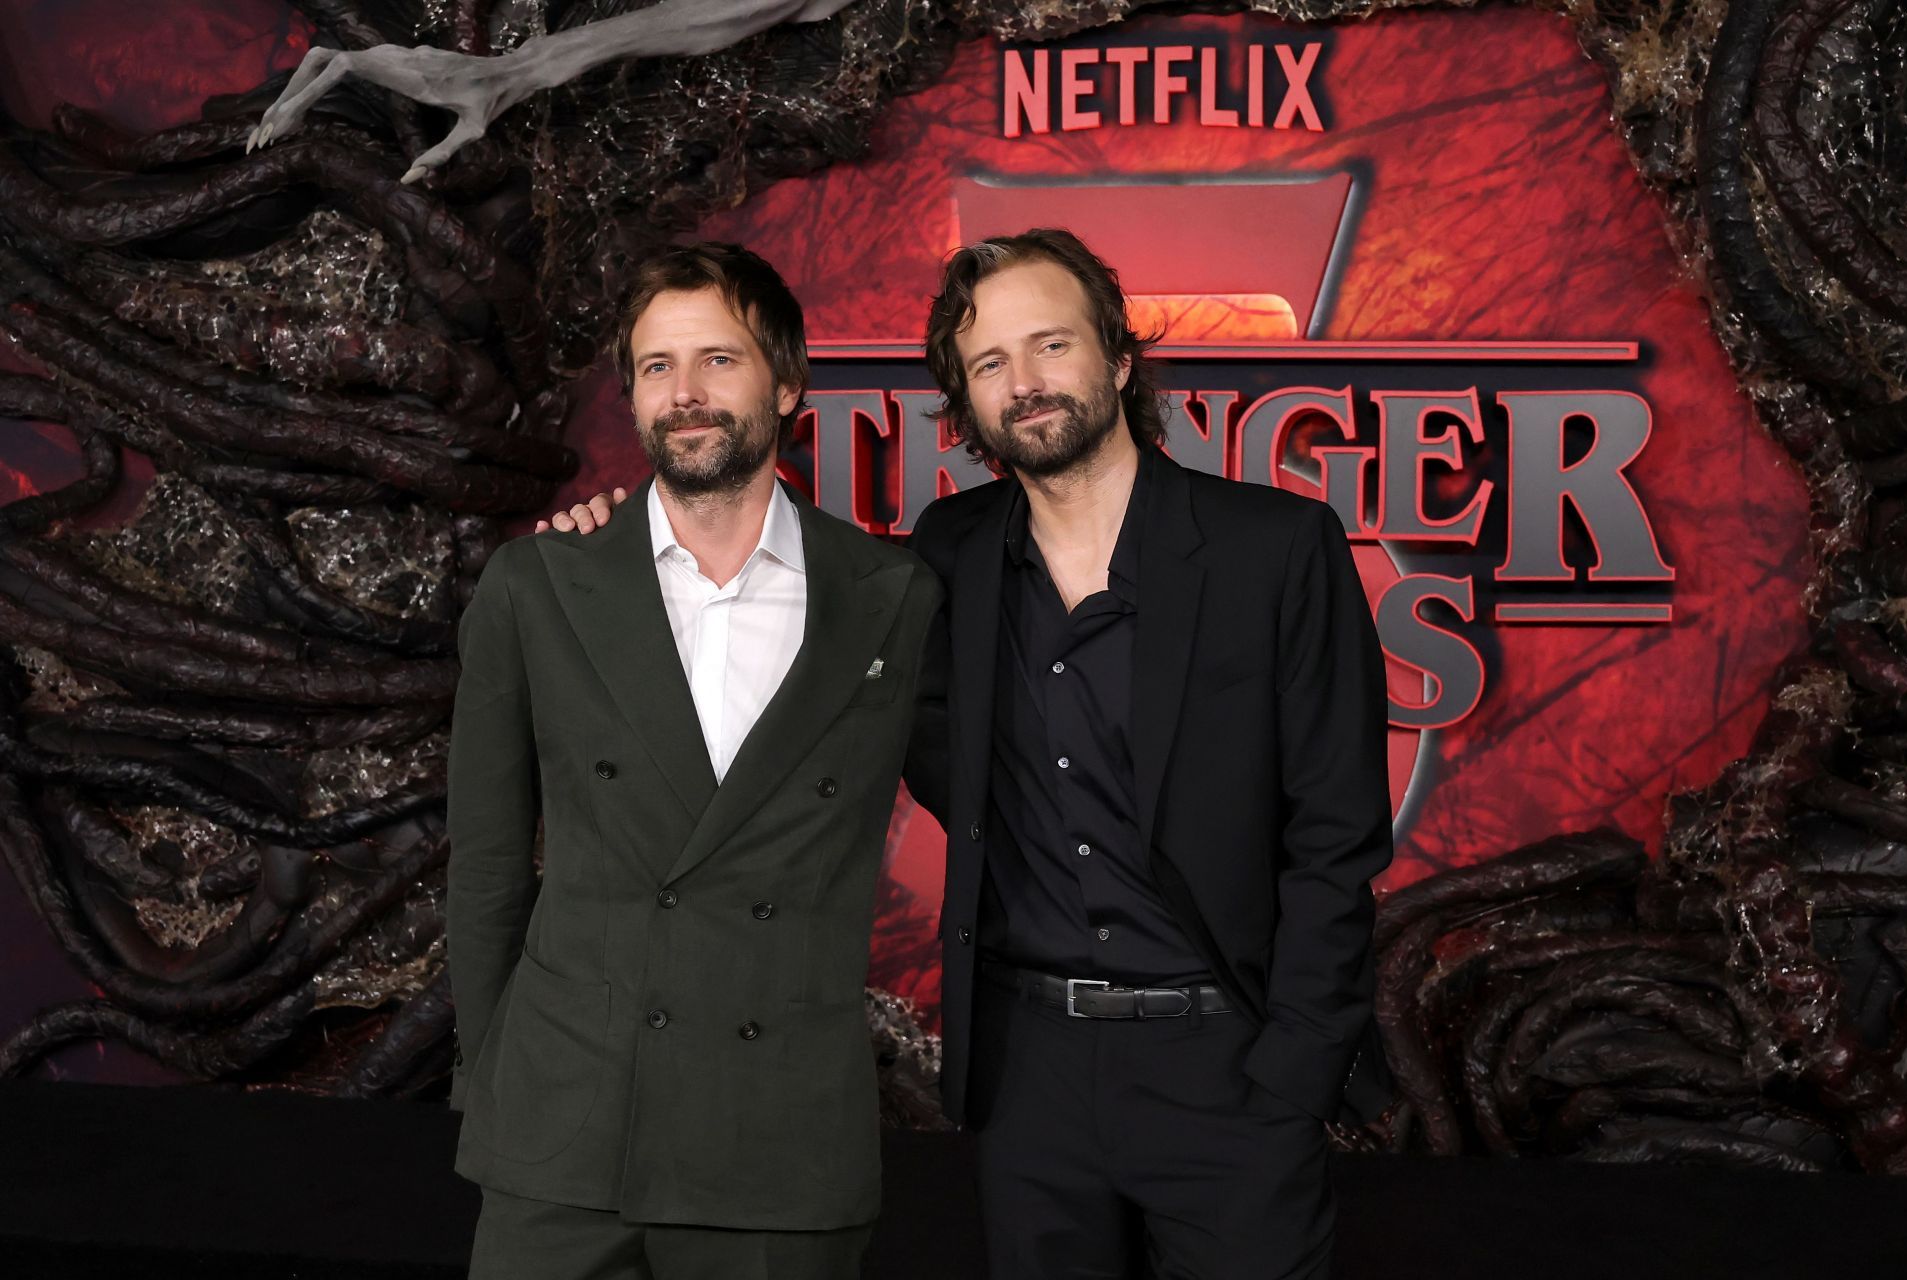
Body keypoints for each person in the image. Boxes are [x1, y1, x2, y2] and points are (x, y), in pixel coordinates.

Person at [548, 227, 1393, 1279]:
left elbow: (1339, 830)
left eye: (1051, 346)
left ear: (1121, 359)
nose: (1025, 383)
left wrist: (1292, 1078)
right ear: (967, 399)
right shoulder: (949, 553)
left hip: (1224, 1059)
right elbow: (786, 599)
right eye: (991, 363)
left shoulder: (1275, 547)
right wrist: (625, 544)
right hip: (1029, 1070)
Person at [448, 241, 941, 1280]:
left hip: (779, 1144)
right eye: (657, 366)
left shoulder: (891, 597)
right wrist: (501, 1076)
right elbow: (486, 866)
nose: (686, 394)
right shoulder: (537, 587)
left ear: (789, 382)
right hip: (564, 1136)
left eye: (718, 359)